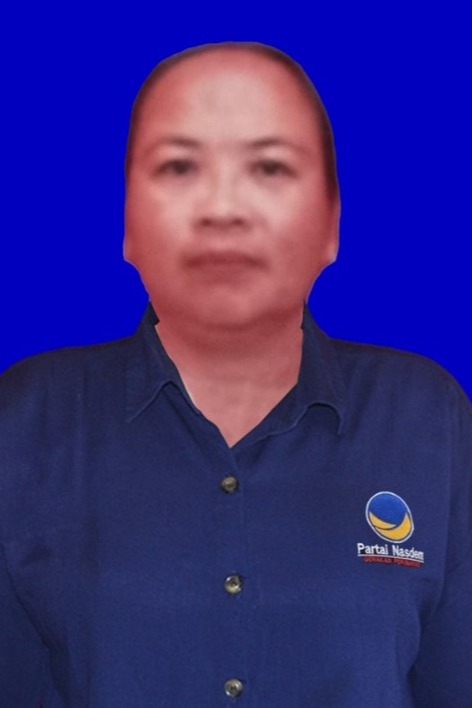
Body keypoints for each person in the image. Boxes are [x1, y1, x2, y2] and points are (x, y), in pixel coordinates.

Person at [0, 41, 471, 707]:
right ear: (127, 222)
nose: (223, 209)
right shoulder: (27, 419)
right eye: (180, 166)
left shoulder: (426, 418)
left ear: (331, 223)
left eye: (270, 167)